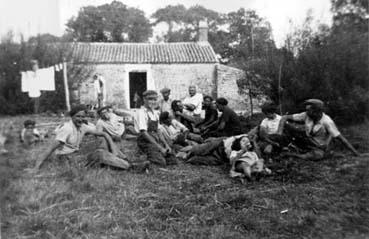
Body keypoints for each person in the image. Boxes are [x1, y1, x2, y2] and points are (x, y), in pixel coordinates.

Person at [26, 105, 146, 173]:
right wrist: (36, 167)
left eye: (83, 116)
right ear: (72, 116)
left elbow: (103, 134)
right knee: (100, 153)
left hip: (76, 153)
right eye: (78, 116)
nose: (80, 119)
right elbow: (49, 149)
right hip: (66, 159)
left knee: (102, 140)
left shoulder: (83, 126)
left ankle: (125, 160)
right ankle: (131, 168)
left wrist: (112, 145)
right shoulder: (67, 129)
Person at [277, 99, 360, 160]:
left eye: (308, 110)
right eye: (306, 110)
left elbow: (341, 138)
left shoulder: (327, 121)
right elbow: (285, 117)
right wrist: (279, 133)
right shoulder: (306, 115)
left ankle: (293, 155)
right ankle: (288, 149)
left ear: (316, 111)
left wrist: (356, 154)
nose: (306, 112)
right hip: (307, 140)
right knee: (289, 127)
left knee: (318, 155)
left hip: (319, 146)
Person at [134, 90, 177, 166]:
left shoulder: (155, 113)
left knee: (172, 160)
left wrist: (165, 144)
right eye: (150, 99)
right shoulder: (141, 112)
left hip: (155, 139)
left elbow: (158, 130)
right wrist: (160, 148)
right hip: (145, 140)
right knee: (161, 162)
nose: (153, 102)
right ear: (144, 99)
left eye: (155, 99)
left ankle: (153, 153)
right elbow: (144, 133)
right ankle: (142, 157)